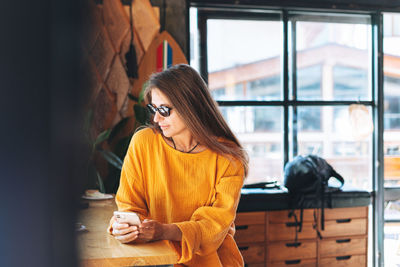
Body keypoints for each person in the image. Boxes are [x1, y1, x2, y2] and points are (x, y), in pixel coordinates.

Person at [108, 64, 249, 266]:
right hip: (156, 260)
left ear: (190, 106)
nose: (156, 119)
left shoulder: (228, 158)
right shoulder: (143, 143)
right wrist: (125, 228)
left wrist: (166, 231)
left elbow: (214, 226)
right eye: (154, 109)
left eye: (164, 110)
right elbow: (130, 207)